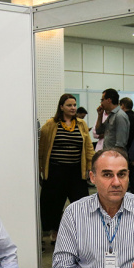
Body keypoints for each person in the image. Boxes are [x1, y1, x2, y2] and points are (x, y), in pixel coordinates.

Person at [53, 148, 134, 268]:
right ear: (92, 177)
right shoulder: (74, 212)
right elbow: (62, 265)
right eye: (107, 175)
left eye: (121, 174)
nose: (116, 182)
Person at [40, 94, 95, 244]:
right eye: (69, 105)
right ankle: (55, 233)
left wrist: (91, 168)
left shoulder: (81, 124)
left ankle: (81, 233)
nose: (73, 108)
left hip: (76, 172)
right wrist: (41, 169)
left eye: (74, 105)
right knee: (55, 204)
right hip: (56, 171)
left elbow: (89, 147)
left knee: (82, 202)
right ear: (61, 107)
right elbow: (42, 147)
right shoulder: (51, 124)